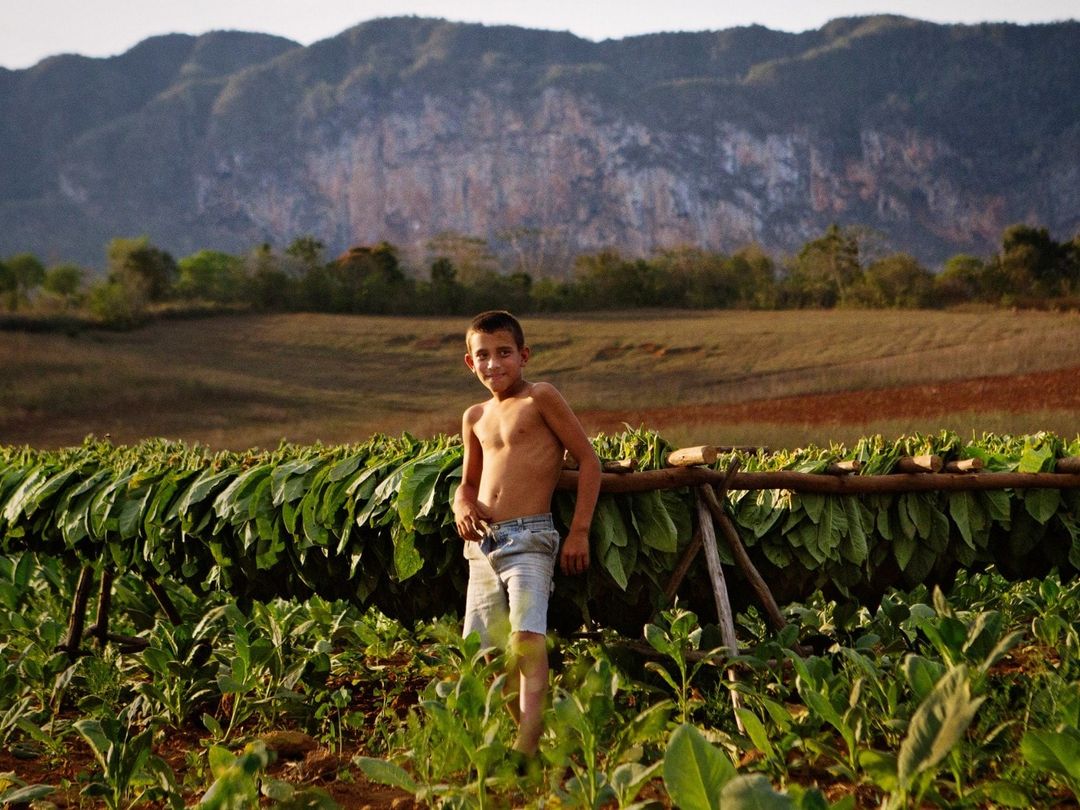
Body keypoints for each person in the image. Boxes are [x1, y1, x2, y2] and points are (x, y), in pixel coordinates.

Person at [452, 310, 601, 763]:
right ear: (470, 363)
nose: (493, 363)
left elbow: (588, 460)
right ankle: (528, 740)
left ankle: (526, 745)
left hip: (529, 536)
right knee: (485, 652)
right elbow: (468, 483)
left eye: (504, 353)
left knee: (526, 638)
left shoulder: (540, 397)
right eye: (483, 356)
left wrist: (579, 531)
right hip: (482, 544)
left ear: (524, 355)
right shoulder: (474, 416)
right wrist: (462, 505)